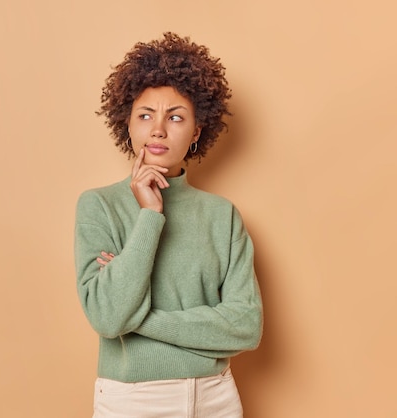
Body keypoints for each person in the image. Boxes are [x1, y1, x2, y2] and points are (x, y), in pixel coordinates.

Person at [74, 32, 263, 417]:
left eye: (175, 117)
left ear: (195, 132)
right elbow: (107, 317)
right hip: (133, 400)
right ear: (127, 123)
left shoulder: (221, 215)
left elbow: (246, 326)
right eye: (145, 115)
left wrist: (138, 318)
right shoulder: (99, 206)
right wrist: (149, 215)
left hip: (216, 398)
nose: (158, 129)